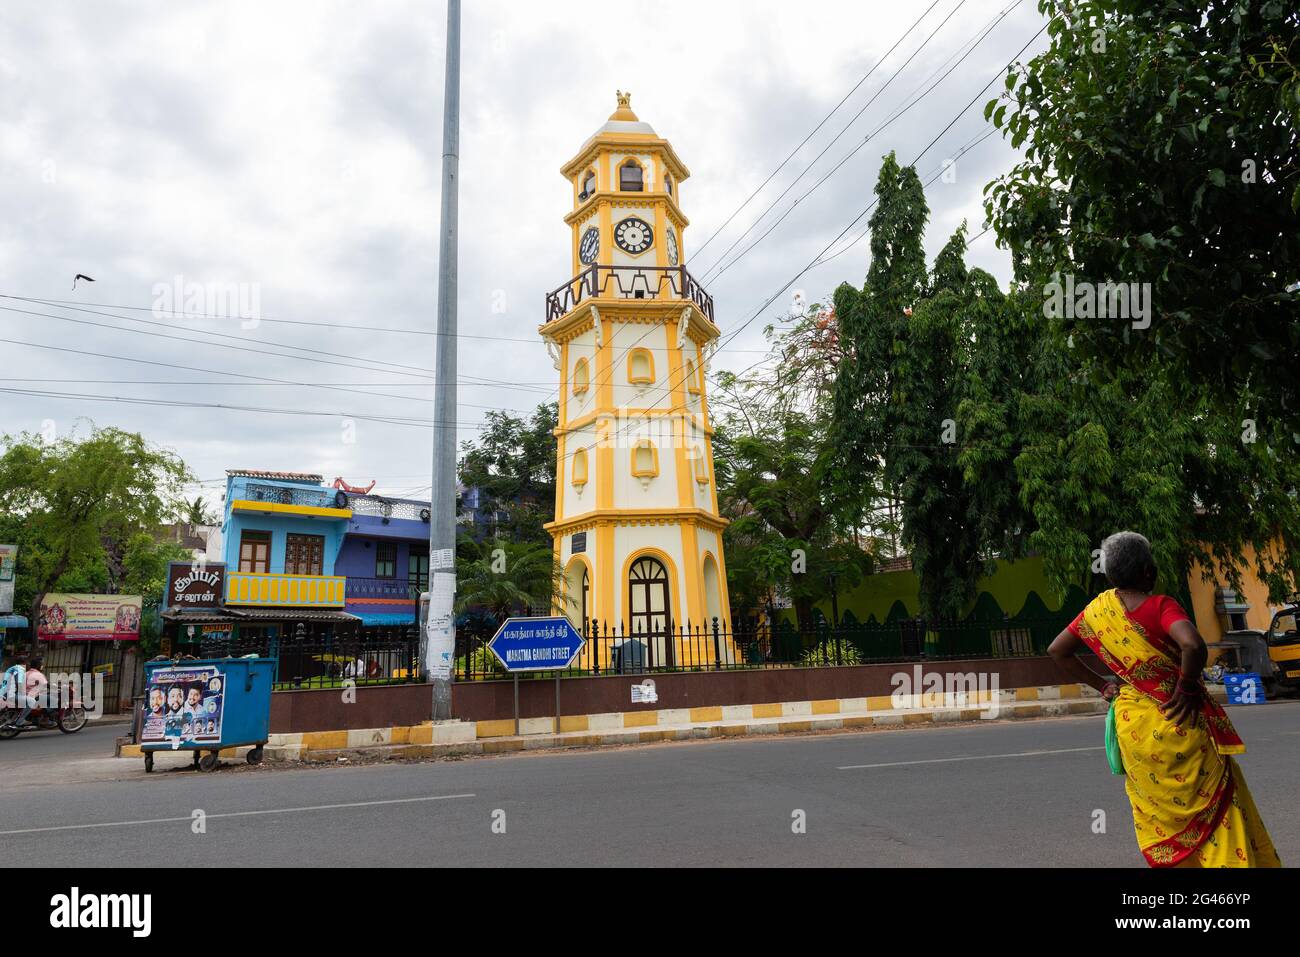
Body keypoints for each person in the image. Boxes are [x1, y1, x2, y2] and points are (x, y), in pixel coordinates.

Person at [1048, 531, 1281, 867]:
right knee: (1217, 812)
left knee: (1160, 816)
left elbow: (1057, 651)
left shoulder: (1098, 612)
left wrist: (1102, 686)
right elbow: (1193, 645)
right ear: (1148, 572)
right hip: (1180, 718)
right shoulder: (1160, 606)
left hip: (1135, 732)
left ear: (1111, 575)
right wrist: (1186, 687)